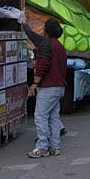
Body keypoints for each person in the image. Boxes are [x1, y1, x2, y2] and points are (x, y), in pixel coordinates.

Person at [26, 18, 67, 158]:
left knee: (40, 116)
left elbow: (42, 66)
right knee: (54, 117)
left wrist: (34, 84)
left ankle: (42, 146)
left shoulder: (46, 45)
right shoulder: (60, 46)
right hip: (59, 86)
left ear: (47, 31)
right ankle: (55, 147)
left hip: (48, 86)